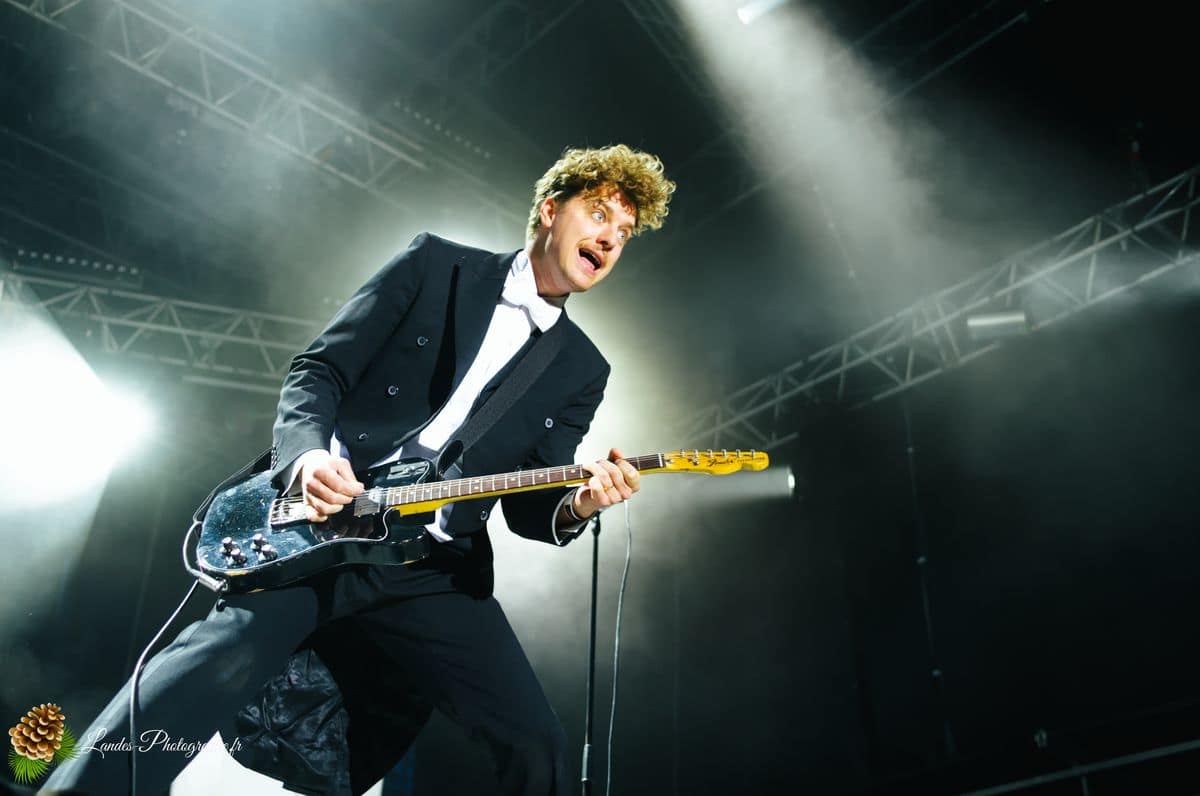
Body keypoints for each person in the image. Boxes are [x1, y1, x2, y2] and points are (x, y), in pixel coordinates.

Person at [43, 144, 675, 795]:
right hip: (329, 522)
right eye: (599, 213)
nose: (609, 237)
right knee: (202, 669)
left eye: (624, 234)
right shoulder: (436, 265)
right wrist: (308, 456)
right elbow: (320, 370)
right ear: (550, 209)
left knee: (534, 739)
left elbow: (529, 506)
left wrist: (581, 504)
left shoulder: (580, 368)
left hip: (434, 564)